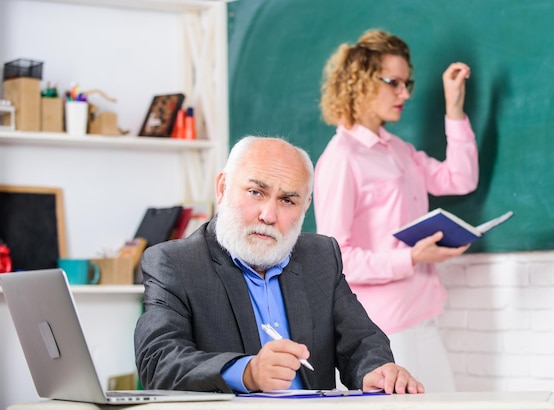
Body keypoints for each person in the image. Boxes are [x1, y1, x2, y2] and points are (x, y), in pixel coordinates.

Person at [134, 136, 424, 395]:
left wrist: (376, 371)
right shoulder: (174, 262)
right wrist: (247, 372)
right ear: (223, 187)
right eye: (255, 193)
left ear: (305, 206)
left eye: (287, 200)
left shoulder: (321, 256)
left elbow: (361, 340)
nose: (268, 215)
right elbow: (158, 362)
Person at [314, 29, 479, 392]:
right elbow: (336, 259)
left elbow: (460, 179)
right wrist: (410, 259)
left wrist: (454, 109)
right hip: (383, 329)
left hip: (422, 314)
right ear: (359, 81)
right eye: (394, 82)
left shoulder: (398, 150)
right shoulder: (342, 159)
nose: (404, 94)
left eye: (408, 83)